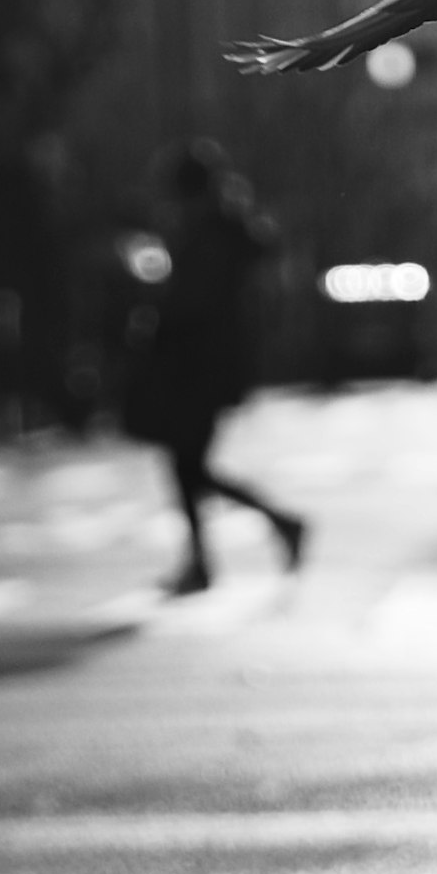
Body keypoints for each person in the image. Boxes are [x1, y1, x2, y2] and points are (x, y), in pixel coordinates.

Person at [125, 145, 306, 593]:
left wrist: (157, 325)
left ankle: (267, 529)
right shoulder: (217, 230)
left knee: (189, 464)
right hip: (205, 363)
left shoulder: (211, 235)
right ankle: (226, 549)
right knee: (188, 465)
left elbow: (194, 303)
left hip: (199, 365)